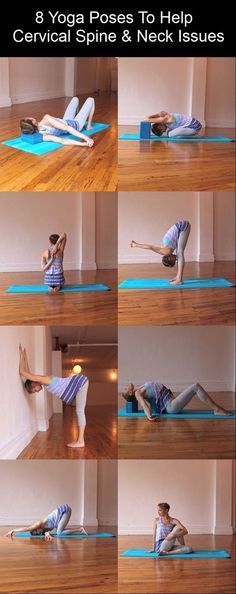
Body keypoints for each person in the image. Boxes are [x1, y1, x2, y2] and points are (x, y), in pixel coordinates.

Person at [19, 345, 89, 448]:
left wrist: (21, 356)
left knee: (80, 411)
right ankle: (79, 441)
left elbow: (23, 372)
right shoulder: (42, 380)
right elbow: (28, 373)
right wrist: (24, 357)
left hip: (79, 383)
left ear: (34, 384)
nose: (37, 392)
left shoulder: (43, 379)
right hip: (79, 382)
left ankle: (80, 441)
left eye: (34, 390)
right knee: (79, 411)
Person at [122, 381, 230, 421]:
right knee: (195, 386)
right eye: (125, 389)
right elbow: (144, 405)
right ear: (131, 393)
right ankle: (217, 409)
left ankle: (217, 409)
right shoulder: (137, 393)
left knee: (195, 386)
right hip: (170, 406)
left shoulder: (140, 388)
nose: (125, 386)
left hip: (170, 402)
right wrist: (149, 417)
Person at [130, 220, 191, 284]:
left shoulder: (166, 251)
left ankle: (179, 280)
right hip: (182, 226)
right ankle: (178, 277)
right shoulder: (166, 248)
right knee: (179, 252)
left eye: (174, 261)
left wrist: (136, 245)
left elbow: (150, 247)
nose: (176, 259)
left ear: (170, 259)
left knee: (179, 252)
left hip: (183, 226)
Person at [20, 96, 95, 148]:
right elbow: (68, 128)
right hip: (75, 124)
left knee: (75, 99)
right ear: (33, 122)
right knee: (91, 99)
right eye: (28, 118)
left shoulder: (43, 135)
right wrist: (86, 139)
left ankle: (80, 115)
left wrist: (82, 144)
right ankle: (88, 125)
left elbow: (63, 141)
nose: (29, 116)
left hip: (65, 120)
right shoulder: (46, 119)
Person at [5, 503, 87, 541]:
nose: (39, 532)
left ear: (37, 528)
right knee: (59, 529)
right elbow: (46, 533)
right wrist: (48, 536)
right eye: (38, 534)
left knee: (59, 533)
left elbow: (27, 528)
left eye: (37, 531)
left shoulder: (40, 523)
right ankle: (80, 529)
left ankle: (80, 530)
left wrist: (13, 530)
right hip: (62, 514)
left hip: (64, 511)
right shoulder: (43, 529)